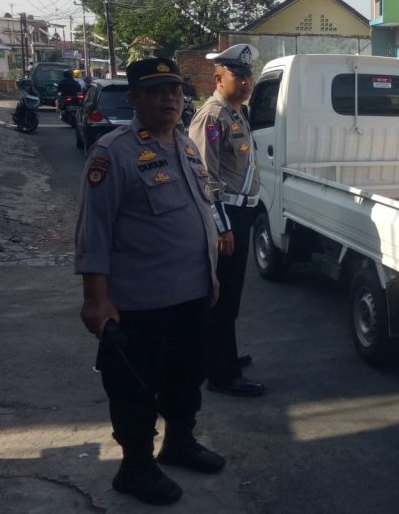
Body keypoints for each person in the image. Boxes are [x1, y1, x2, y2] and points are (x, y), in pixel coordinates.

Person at [75, 58, 225, 506]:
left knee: (186, 377)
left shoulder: (185, 144)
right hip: (139, 303)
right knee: (135, 388)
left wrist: (211, 274)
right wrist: (95, 300)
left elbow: (201, 212)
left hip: (192, 293)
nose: (170, 99)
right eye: (158, 91)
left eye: (175, 90)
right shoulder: (112, 153)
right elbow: (93, 232)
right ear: (135, 97)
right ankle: (135, 468)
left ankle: (178, 442)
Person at [188, 43, 265, 398]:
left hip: (242, 211)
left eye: (249, 74)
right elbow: (205, 178)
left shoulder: (236, 113)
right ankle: (222, 374)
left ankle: (224, 356)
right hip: (226, 215)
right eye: (239, 75)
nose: (247, 81)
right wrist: (221, 226)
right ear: (218, 78)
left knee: (231, 296)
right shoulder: (212, 117)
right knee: (222, 296)